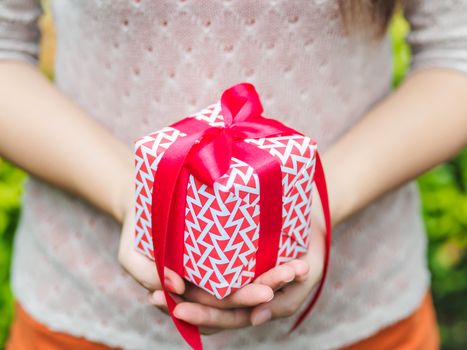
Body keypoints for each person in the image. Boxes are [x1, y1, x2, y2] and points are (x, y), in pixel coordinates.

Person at [1, 1, 466, 349]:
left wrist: (318, 206)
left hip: (364, 316)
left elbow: (456, 51)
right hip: (82, 310)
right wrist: (139, 198)